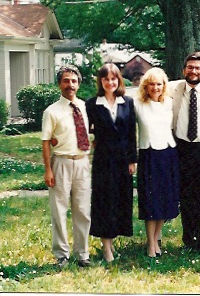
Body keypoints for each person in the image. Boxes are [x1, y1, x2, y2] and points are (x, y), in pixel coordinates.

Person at [85, 63, 137, 263]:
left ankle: (114, 238)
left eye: (113, 79)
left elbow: (132, 132)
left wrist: (133, 159)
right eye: (106, 79)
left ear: (119, 80)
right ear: (101, 81)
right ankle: (106, 247)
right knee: (104, 202)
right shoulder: (92, 104)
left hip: (123, 160)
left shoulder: (128, 102)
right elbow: (84, 127)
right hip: (104, 161)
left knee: (120, 200)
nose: (110, 82)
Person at [41, 65, 91, 268]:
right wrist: (48, 169)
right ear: (59, 84)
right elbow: (45, 141)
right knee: (59, 210)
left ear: (78, 84)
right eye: (66, 81)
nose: (70, 85)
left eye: (73, 81)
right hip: (60, 162)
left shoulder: (86, 107)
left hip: (82, 163)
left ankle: (83, 254)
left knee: (83, 210)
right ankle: (62, 254)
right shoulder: (51, 111)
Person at [170, 51, 200, 252]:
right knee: (186, 196)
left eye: (198, 68)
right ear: (184, 70)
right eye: (190, 67)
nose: (193, 71)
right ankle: (187, 239)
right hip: (182, 148)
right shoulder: (175, 90)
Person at [134, 67, 180, 258]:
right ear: (146, 86)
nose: (155, 87)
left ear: (164, 86)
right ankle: (151, 243)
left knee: (165, 199)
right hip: (149, 155)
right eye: (151, 84)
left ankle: (156, 238)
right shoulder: (137, 105)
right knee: (150, 200)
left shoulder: (169, 103)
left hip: (168, 154)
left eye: (159, 84)